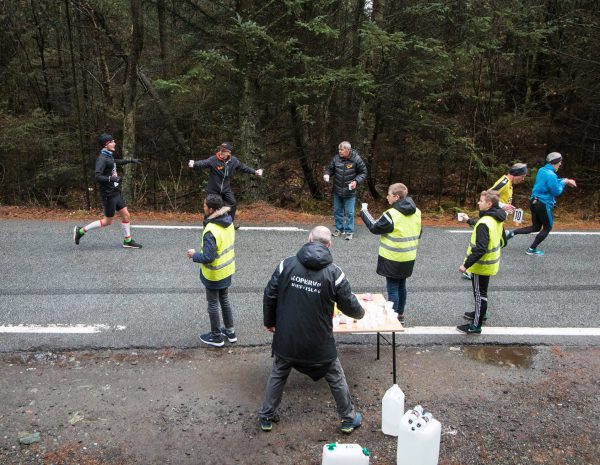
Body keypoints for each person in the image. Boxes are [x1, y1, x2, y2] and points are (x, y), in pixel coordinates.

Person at [258, 226, 365, 434]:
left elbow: (270, 294)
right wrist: (362, 314)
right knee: (335, 375)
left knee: (279, 371)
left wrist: (269, 321)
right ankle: (348, 418)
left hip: (287, 338)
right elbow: (350, 306)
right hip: (319, 342)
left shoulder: (285, 265)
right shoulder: (335, 273)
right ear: (329, 244)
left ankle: (266, 416)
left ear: (309, 239)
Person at [360, 183, 421, 324]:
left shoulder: (391, 214)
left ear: (396, 197)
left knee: (392, 287)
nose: (387, 197)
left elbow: (375, 228)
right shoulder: (417, 211)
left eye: (388, 194)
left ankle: (392, 316)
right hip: (409, 256)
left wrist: (364, 212)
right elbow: (419, 232)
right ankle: (400, 313)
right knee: (402, 286)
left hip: (393, 257)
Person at [73, 133, 142, 248]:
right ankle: (80, 231)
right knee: (107, 222)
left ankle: (127, 241)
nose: (114, 143)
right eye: (112, 142)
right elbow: (97, 176)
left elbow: (114, 162)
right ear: (106, 145)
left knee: (126, 215)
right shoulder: (101, 159)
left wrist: (130, 160)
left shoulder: (108, 155)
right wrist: (112, 178)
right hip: (108, 194)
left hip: (115, 192)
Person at [461, 163, 528, 279]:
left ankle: (477, 266)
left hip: (497, 217)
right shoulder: (504, 182)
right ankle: (470, 269)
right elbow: (488, 194)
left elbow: (501, 200)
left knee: (501, 242)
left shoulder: (510, 184)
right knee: (488, 244)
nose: (523, 179)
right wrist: (502, 206)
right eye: (522, 176)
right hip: (491, 215)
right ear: (517, 174)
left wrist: (507, 208)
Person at [186, 194, 237, 347]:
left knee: (213, 304)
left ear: (211, 209)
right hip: (227, 270)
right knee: (225, 300)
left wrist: (194, 255)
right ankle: (230, 332)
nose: (203, 207)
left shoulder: (211, 230)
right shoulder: (228, 222)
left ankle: (216, 336)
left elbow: (208, 257)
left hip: (214, 274)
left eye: (204, 206)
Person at [457, 190, 507, 334]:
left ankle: (476, 326)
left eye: (481, 200)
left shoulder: (484, 223)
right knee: (481, 293)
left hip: (481, 266)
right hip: (491, 263)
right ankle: (480, 313)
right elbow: (503, 242)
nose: (478, 202)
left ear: (489, 204)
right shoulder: (496, 218)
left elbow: (480, 249)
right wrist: (468, 221)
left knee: (480, 295)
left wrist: (465, 265)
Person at [507, 152, 577, 256]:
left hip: (534, 202)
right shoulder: (551, 175)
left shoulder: (542, 170)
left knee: (535, 227)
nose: (560, 164)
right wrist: (564, 182)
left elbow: (553, 181)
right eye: (560, 162)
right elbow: (556, 191)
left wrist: (564, 180)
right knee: (547, 227)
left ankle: (512, 233)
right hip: (543, 204)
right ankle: (532, 249)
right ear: (555, 163)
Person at [188, 142, 263, 226]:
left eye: (223, 151)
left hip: (225, 189)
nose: (221, 152)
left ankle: (229, 223)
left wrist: (255, 172)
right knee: (211, 205)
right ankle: (207, 223)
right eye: (220, 150)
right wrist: (194, 165)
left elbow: (243, 167)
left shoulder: (234, 161)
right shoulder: (214, 159)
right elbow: (203, 163)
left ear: (229, 152)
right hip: (213, 189)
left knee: (233, 203)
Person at [324, 141, 367, 240]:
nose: (339, 151)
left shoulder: (356, 159)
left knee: (350, 213)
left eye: (342, 149)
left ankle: (349, 231)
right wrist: (327, 174)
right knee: (337, 211)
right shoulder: (336, 158)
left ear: (348, 150)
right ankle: (339, 229)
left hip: (350, 191)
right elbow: (330, 169)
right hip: (337, 190)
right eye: (339, 149)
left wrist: (356, 181)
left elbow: (363, 172)